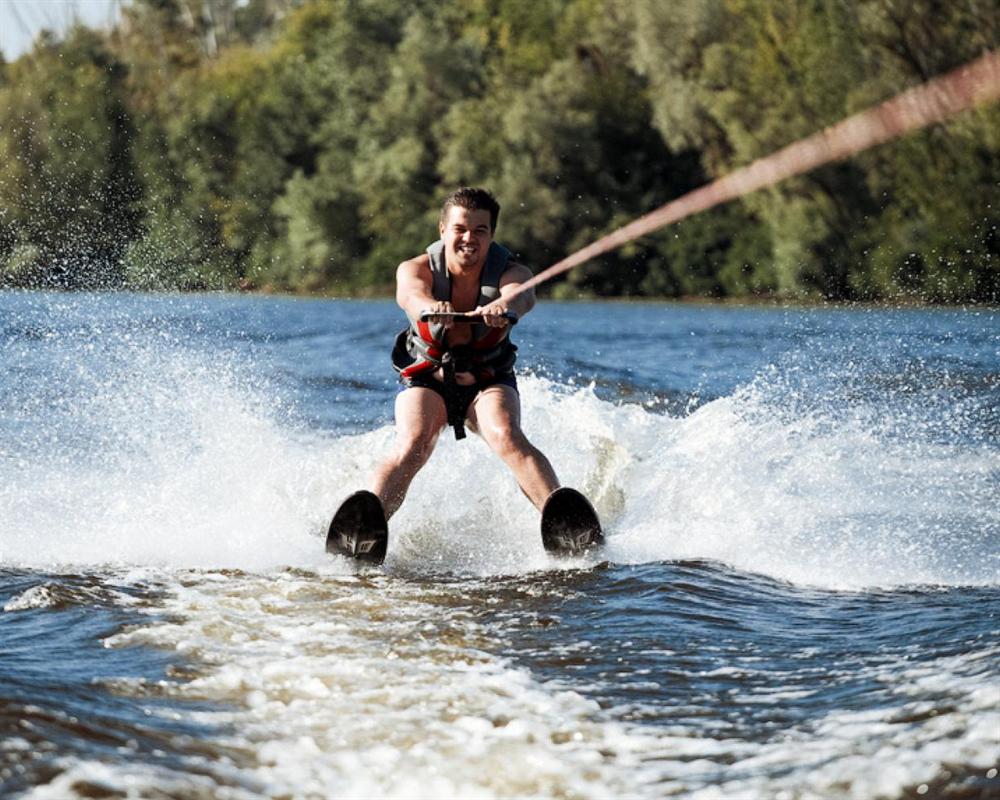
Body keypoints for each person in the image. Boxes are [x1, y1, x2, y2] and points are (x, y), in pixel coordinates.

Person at [370, 187, 561, 520]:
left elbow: (522, 296)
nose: (468, 238)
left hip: (488, 380)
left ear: (491, 235)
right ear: (443, 230)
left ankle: (562, 518)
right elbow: (411, 297)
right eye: (460, 229)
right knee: (414, 442)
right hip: (428, 377)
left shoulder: (513, 273)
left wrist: (505, 305)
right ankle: (366, 520)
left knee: (506, 435)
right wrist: (431, 308)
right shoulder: (414, 270)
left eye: (480, 230)